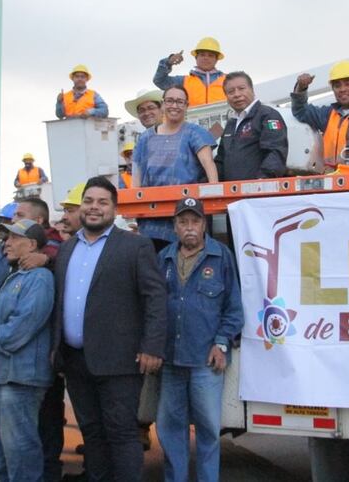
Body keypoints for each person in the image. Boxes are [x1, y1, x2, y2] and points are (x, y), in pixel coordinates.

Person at [53, 177, 167, 482]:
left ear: (114, 209)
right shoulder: (67, 250)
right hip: (76, 360)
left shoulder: (134, 246)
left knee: (122, 433)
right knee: (92, 433)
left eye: (102, 202)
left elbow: (155, 297)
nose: (94, 208)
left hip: (119, 362)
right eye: (89, 201)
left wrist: (153, 346)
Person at [156, 197, 243, 482]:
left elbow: (234, 308)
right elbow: (153, 308)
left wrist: (221, 343)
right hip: (170, 360)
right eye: (183, 222)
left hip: (206, 362)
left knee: (208, 431)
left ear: (204, 224)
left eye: (195, 221)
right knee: (170, 431)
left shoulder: (221, 257)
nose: (189, 227)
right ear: (175, 227)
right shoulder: (164, 258)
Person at [0, 218, 56, 482]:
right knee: (3, 450)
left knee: (21, 450)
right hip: (2, 374)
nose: (6, 243)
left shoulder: (40, 278)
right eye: (6, 237)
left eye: (14, 238)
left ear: (32, 244)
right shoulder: (13, 276)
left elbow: (21, 328)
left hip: (22, 378)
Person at [131, 85, 219, 251]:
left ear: (186, 106)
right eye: (170, 101)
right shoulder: (145, 138)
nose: (174, 105)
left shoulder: (195, 132)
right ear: (163, 104)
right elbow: (136, 175)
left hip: (187, 214)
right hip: (151, 218)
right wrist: (136, 208)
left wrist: (213, 197)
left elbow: (209, 164)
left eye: (180, 101)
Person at [214, 70, 288, 181]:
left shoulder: (267, 115)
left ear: (252, 90)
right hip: (231, 193)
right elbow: (221, 159)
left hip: (258, 192)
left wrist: (262, 181)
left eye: (241, 88)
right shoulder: (231, 123)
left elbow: (275, 152)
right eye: (231, 91)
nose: (237, 94)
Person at [153, 37, 227, 108]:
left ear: (216, 59)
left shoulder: (227, 80)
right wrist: (168, 62)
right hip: (190, 120)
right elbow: (159, 81)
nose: (206, 58)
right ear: (196, 58)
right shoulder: (183, 81)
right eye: (202, 55)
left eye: (210, 55)